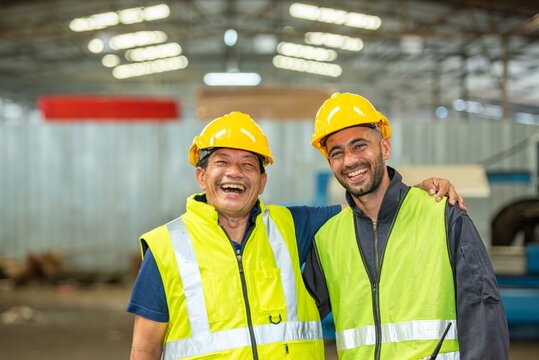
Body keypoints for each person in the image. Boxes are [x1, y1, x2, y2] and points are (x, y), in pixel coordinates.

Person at [127, 111, 464, 360]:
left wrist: (421, 192)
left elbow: (367, 205)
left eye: (248, 165)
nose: (234, 172)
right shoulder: (166, 246)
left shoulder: (292, 225)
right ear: (202, 176)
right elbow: (144, 349)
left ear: (262, 182)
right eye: (221, 162)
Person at [304, 92, 509, 359]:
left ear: (385, 148)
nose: (350, 160)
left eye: (359, 146)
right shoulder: (327, 239)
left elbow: (483, 316)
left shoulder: (443, 215)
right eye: (337, 153)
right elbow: (294, 321)